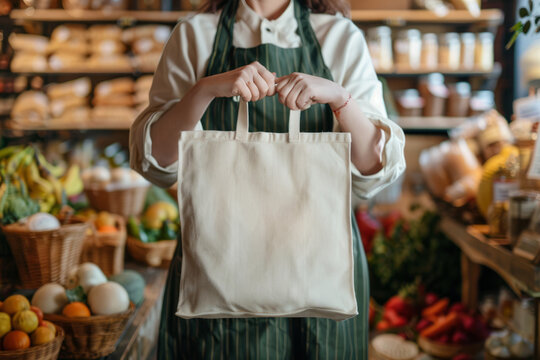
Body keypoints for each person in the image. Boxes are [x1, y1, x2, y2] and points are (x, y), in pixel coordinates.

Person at [130, 0, 406, 358]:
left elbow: (374, 170)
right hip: (218, 269)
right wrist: (203, 91)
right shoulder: (195, 35)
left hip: (322, 268)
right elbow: (156, 162)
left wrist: (340, 99)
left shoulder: (338, 36)